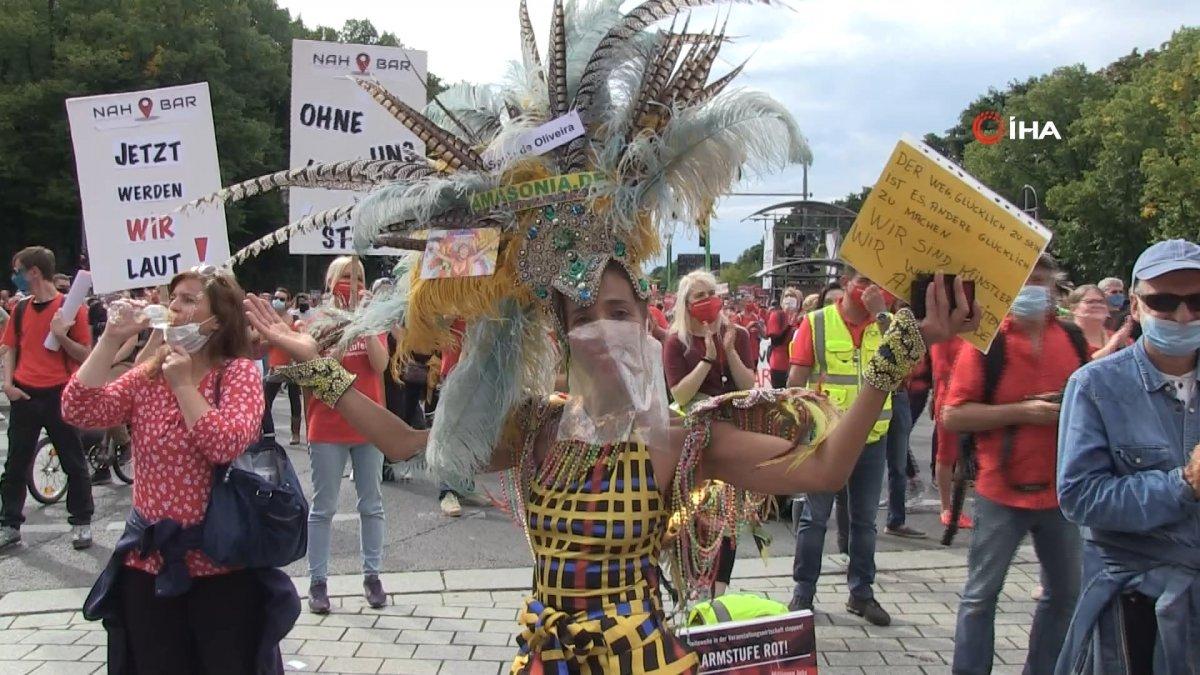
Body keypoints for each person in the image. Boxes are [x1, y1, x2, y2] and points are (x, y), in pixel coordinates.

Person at [209, 5, 975, 665]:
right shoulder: (537, 428)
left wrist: (898, 351)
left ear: (645, 318)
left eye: (616, 311)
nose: (602, 329)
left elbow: (824, 470)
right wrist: (312, 363)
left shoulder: (676, 440)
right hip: (543, 659)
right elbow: (408, 441)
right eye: (582, 316)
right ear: (562, 330)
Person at [62, 266, 298, 673]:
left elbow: (225, 443)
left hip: (221, 566)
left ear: (218, 319)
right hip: (150, 563)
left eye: (189, 299)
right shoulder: (150, 374)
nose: (175, 307)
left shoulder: (237, 372)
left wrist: (186, 386)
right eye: (173, 298)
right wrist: (112, 338)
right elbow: (78, 408)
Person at [1057, 240, 1200, 674]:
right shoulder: (1096, 386)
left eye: (1196, 301)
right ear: (1134, 307)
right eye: (1164, 302)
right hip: (1133, 608)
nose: (1182, 316)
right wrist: (1184, 484)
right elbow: (1080, 497)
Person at [943, 254, 1086, 675]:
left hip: (1062, 492)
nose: (1032, 288)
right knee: (980, 597)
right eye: (1023, 280)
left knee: (1065, 595)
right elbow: (954, 415)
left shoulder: (1073, 340)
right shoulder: (990, 343)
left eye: (1039, 279)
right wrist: (1024, 412)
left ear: (1054, 286)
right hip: (1000, 491)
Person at [786, 267, 897, 625]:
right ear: (847, 284)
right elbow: (795, 382)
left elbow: (908, 364)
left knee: (865, 522)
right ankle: (803, 594)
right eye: (863, 281)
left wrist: (883, 316)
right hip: (826, 440)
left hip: (872, 439)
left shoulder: (888, 325)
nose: (870, 289)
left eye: (877, 283)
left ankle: (861, 594)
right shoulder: (816, 323)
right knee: (814, 519)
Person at [664, 269, 758, 597]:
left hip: (731, 436)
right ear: (686, 304)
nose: (707, 301)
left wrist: (729, 351)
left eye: (710, 294)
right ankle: (691, 584)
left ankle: (719, 589)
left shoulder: (740, 335)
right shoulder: (675, 341)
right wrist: (707, 358)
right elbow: (679, 395)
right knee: (692, 514)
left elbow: (748, 387)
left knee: (727, 516)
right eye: (698, 296)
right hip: (693, 443)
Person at [304, 256, 390, 613]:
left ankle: (372, 576)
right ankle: (317, 582)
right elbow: (316, 373)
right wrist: (338, 330)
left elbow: (381, 364)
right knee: (323, 507)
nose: (353, 283)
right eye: (345, 277)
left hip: (369, 424)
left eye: (358, 276)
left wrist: (367, 323)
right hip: (327, 424)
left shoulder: (374, 318)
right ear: (330, 282)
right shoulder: (317, 322)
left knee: (371, 504)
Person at [0, 246, 94, 550]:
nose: (15, 277)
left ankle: (81, 521)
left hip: (58, 392)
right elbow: (10, 347)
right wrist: (8, 385)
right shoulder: (21, 309)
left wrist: (62, 334)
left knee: (72, 459)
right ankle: (10, 523)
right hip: (25, 393)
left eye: (18, 271)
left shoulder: (71, 308)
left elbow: (85, 354)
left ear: (34, 272)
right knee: (15, 463)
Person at [930, 335, 972, 528]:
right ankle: (946, 508)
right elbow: (940, 369)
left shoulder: (974, 329)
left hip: (971, 398)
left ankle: (955, 507)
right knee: (946, 454)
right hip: (950, 399)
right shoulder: (945, 331)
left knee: (965, 456)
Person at [262, 287, 303, 445]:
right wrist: (273, 339)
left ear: (289, 302)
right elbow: (262, 342)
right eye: (276, 298)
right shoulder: (268, 320)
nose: (278, 301)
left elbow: (301, 339)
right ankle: (267, 431)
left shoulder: (294, 319)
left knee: (295, 399)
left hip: (292, 365)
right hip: (275, 366)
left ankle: (295, 433)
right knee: (266, 401)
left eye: (282, 299)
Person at [1066, 284, 1133, 360]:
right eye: (1090, 302)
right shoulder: (1065, 339)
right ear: (1073, 309)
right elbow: (1078, 369)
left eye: (1101, 301)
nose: (1097, 305)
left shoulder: (1122, 340)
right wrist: (1112, 346)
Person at [766, 287, 803, 388]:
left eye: (792, 297)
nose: (789, 299)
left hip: (799, 366)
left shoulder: (804, 317)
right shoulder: (776, 315)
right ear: (782, 301)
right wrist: (789, 324)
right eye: (787, 296)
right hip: (780, 364)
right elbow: (775, 339)